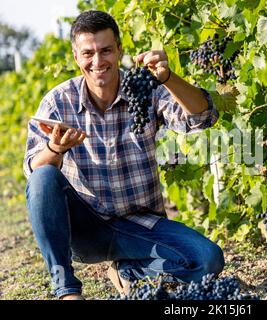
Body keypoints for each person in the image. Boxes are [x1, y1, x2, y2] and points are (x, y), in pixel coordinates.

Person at [23, 10, 224, 300]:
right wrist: (55, 149)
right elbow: (32, 172)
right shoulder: (58, 101)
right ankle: (66, 289)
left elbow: (203, 117)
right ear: (76, 56)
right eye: (88, 53)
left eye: (105, 51)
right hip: (86, 229)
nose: (97, 61)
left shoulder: (145, 89)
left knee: (208, 260)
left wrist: (168, 77)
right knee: (44, 175)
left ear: (119, 49)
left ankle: (128, 272)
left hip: (141, 225)